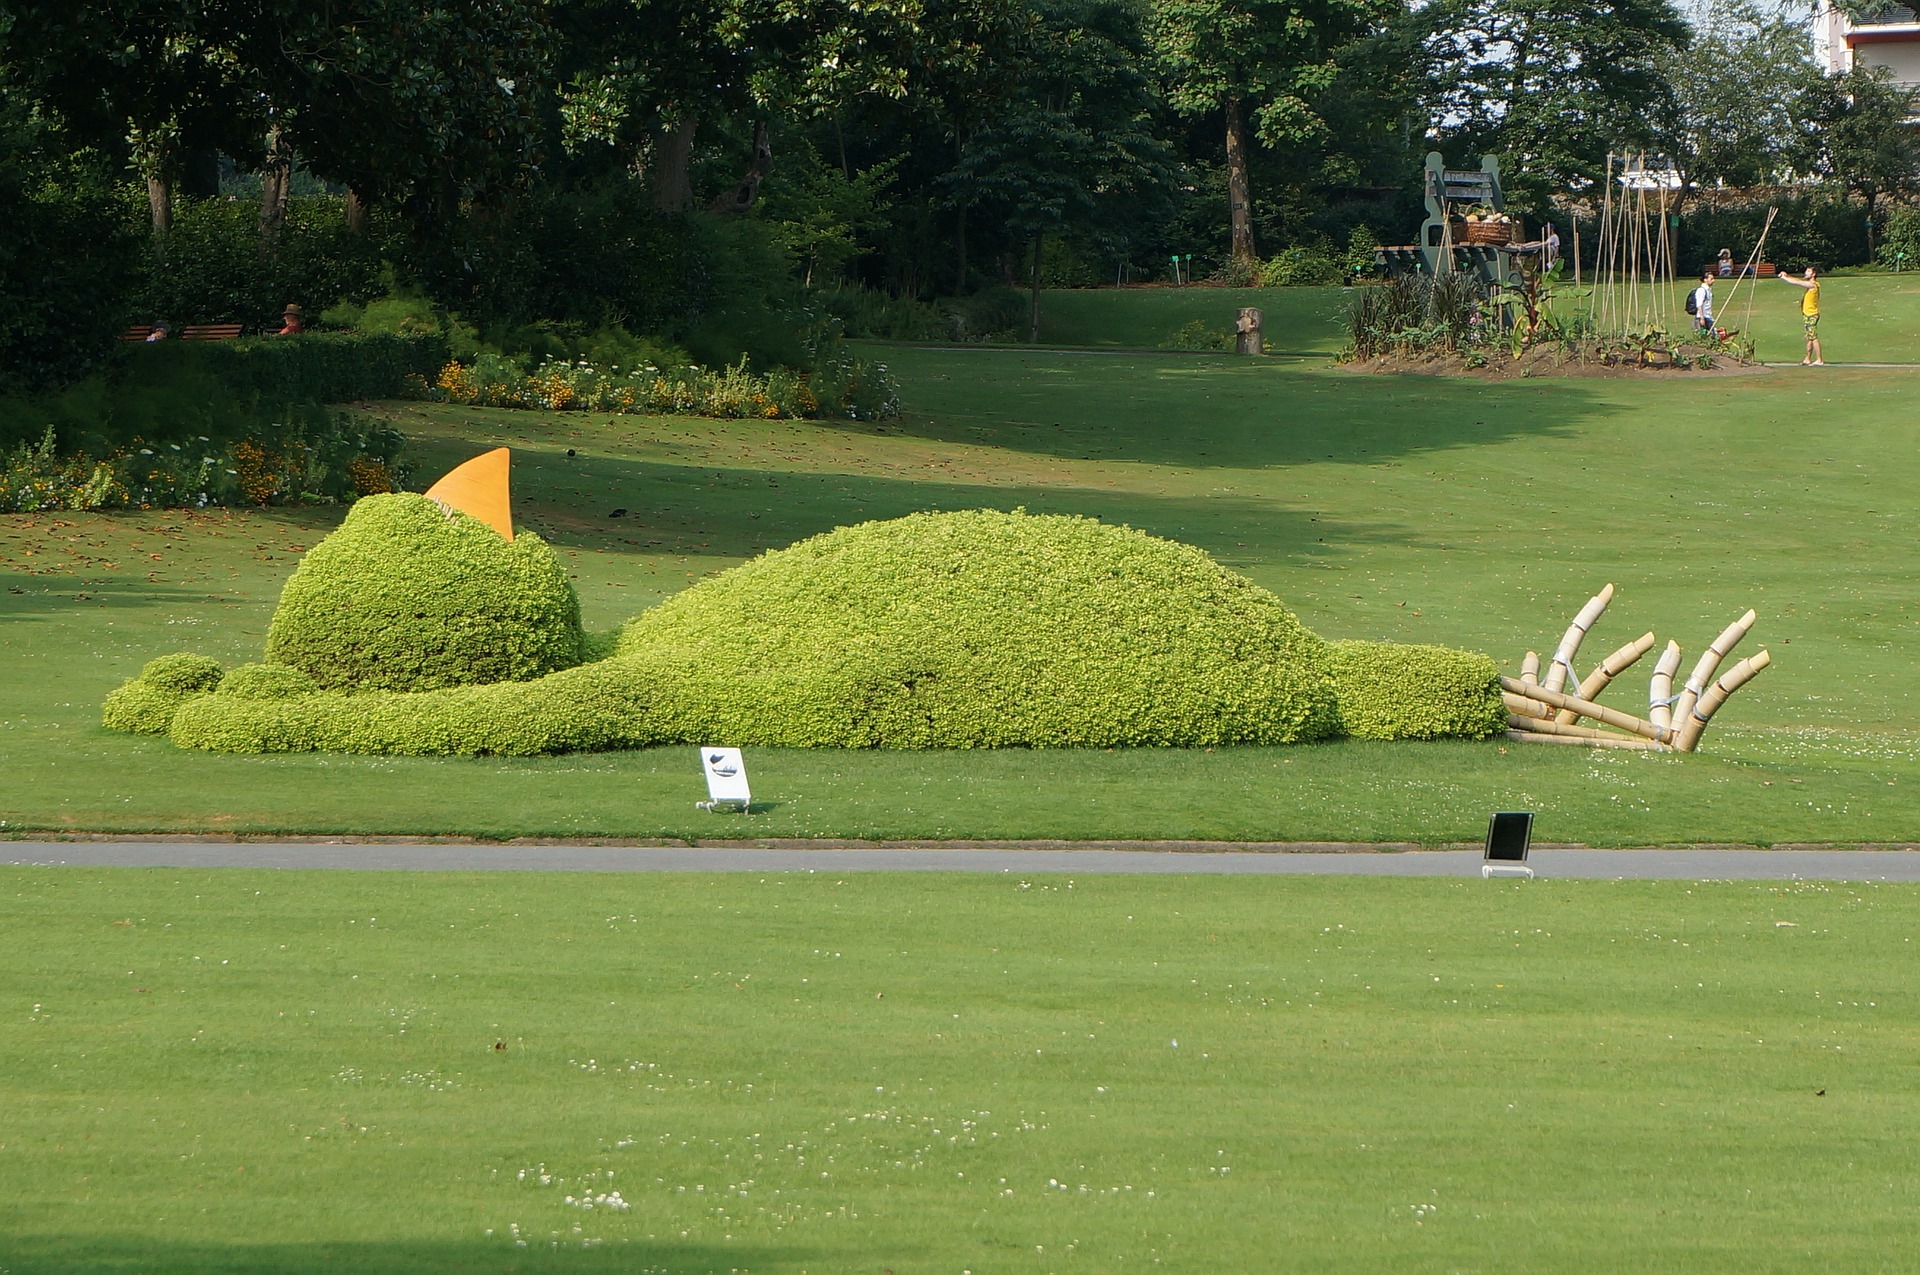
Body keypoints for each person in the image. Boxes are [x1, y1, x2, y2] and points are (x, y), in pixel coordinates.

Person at [1776, 267, 1823, 365]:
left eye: (1809, 271)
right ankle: (1807, 358)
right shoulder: (1809, 285)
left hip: (1812, 315)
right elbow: (1798, 280)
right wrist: (1787, 275)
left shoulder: (1813, 285)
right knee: (1809, 337)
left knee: (1813, 337)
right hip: (1807, 314)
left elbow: (1797, 282)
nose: (1806, 272)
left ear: (1814, 274)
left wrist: (1784, 277)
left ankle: (1819, 360)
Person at [1689, 271, 1715, 335]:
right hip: (1703, 317)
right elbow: (1699, 305)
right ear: (1705, 279)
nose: (1713, 281)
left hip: (1708, 317)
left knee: (1712, 335)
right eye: (1711, 279)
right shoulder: (1701, 290)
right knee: (1703, 336)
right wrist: (1702, 318)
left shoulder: (1708, 290)